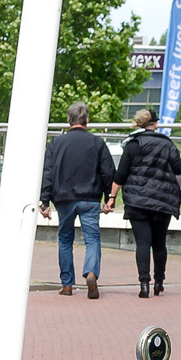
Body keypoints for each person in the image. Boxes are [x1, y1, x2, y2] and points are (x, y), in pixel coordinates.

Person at [38, 102, 116, 298]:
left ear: (68, 120)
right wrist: (109, 199)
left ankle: (66, 285)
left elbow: (47, 173)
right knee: (92, 239)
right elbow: (108, 172)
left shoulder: (56, 143)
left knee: (65, 240)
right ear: (87, 121)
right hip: (90, 199)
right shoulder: (97, 143)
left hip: (64, 199)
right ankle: (91, 272)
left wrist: (44, 201)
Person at [108, 109, 181, 298]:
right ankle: (159, 281)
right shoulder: (167, 144)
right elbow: (179, 168)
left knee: (142, 243)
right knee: (159, 243)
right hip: (162, 202)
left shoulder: (132, 145)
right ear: (155, 124)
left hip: (137, 202)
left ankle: (144, 284)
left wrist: (112, 197)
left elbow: (121, 174)